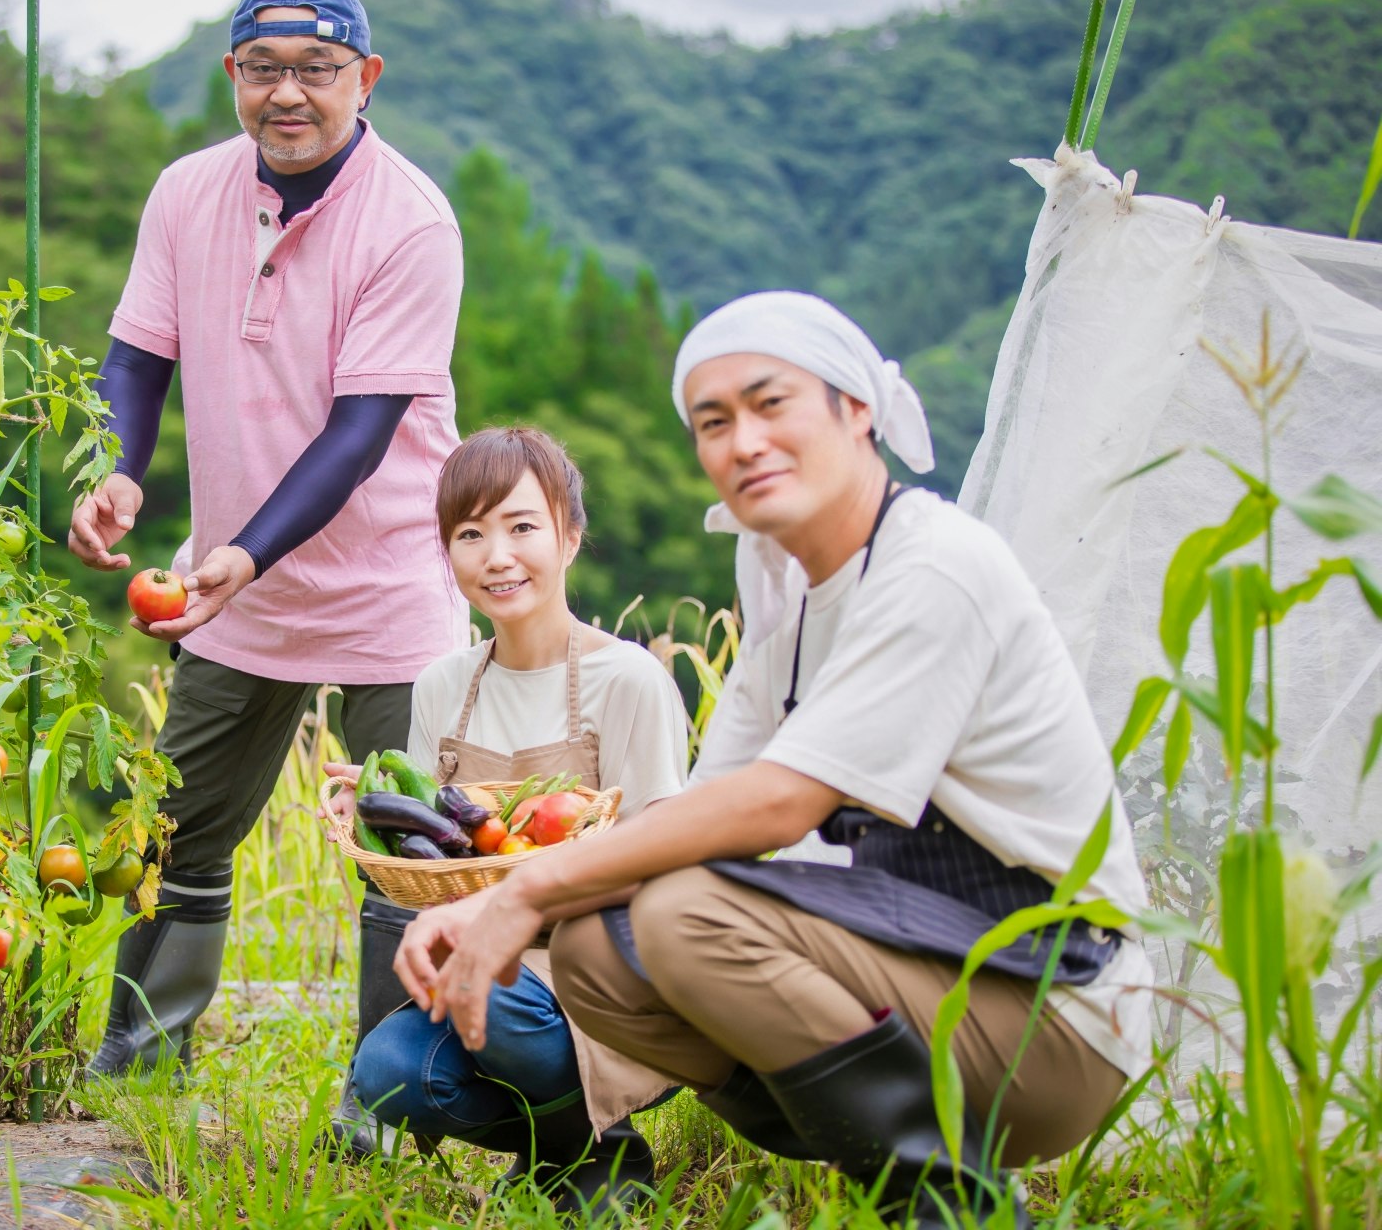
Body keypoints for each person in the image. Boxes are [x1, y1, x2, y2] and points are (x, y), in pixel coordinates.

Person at [388, 293, 1155, 1228]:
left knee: (680, 915)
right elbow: (707, 803)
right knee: (596, 951)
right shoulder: (785, 580)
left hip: (1048, 1006)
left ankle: (953, 1204)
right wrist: (490, 902)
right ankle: (853, 1146)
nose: (742, 440)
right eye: (715, 422)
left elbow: (779, 804)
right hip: (917, 961)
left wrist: (523, 891)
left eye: (771, 404)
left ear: (858, 410)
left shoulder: (934, 566)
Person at [65, 0, 465, 1157]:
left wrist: (240, 549)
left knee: (406, 861)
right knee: (178, 830)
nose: (288, 94)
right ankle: (139, 1065)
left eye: (316, 70)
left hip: (390, 588)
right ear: (234, 74)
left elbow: (361, 431)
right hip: (234, 589)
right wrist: (122, 468)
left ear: (365, 78)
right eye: (263, 69)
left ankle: (384, 1113)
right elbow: (137, 355)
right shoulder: (189, 190)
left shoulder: (411, 220)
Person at [325, 427, 687, 1212]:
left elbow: (662, 861)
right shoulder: (442, 686)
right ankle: (568, 1148)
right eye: (469, 533)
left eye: (522, 526)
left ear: (570, 534)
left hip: (605, 976)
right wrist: (380, 804)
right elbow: (431, 858)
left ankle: (594, 1150)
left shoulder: (628, 681)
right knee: (387, 1074)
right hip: (479, 961)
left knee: (505, 992)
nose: (497, 555)